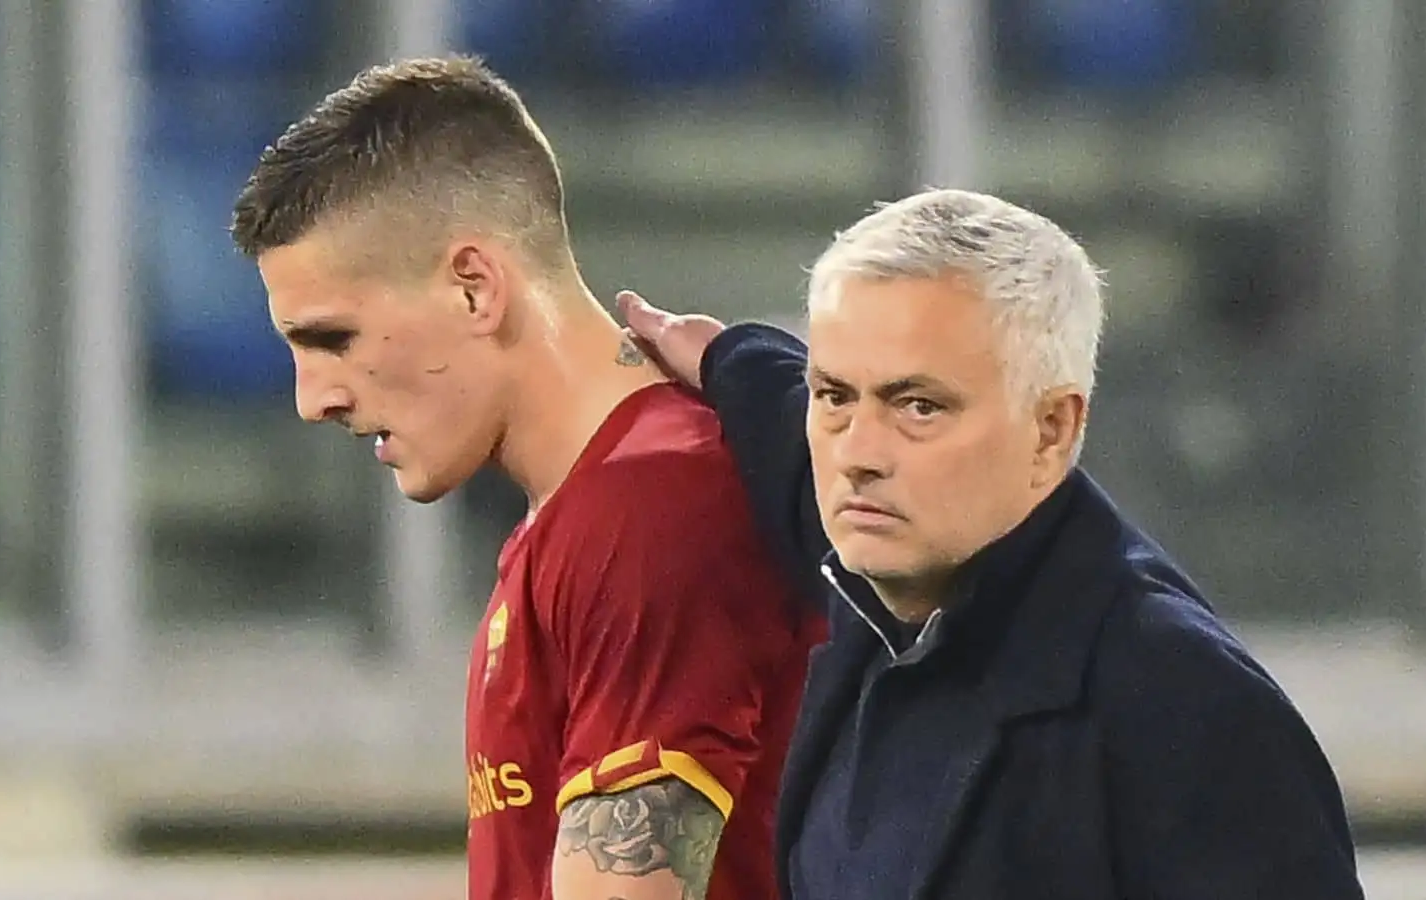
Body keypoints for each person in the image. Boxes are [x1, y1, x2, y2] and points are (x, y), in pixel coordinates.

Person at [620, 188, 1366, 899]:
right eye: (835, 395)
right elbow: (785, 418)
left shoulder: (1180, 705)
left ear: (1052, 429)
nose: (858, 453)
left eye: (919, 406)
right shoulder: (875, 545)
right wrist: (728, 357)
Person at [227, 56, 823, 900]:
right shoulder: (584, 513)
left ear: (474, 288)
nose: (311, 399)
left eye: (334, 340)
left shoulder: (654, 503)